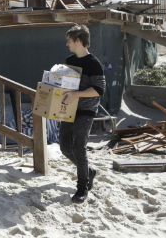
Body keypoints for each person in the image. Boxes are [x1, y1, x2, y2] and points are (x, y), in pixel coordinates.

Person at [60, 24, 106, 203]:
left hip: (86, 109)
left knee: (79, 146)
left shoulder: (94, 63)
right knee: (64, 147)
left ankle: (82, 187)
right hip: (69, 109)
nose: (67, 44)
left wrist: (76, 94)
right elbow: (66, 84)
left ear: (79, 41)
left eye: (69, 41)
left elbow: (99, 89)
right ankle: (89, 171)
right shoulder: (70, 60)